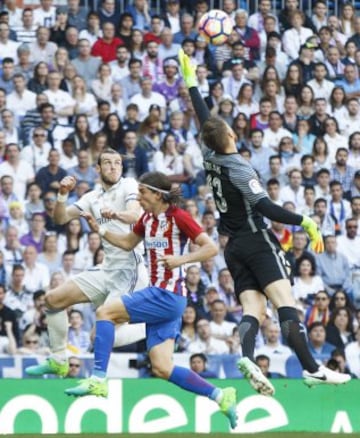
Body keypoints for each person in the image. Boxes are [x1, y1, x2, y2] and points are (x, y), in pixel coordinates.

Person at [178, 48, 350, 395]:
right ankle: (313, 368)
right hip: (258, 240)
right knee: (287, 303)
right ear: (228, 136)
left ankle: (246, 356)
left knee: (253, 310)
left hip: (233, 247)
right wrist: (305, 220)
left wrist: (192, 83)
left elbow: (204, 120)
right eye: (228, 127)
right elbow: (267, 207)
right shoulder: (238, 166)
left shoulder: (210, 155)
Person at [65, 171, 237, 430]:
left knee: (105, 313)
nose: (139, 197)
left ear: (157, 194)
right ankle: (221, 396)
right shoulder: (146, 218)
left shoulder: (179, 217)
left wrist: (181, 260)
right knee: (161, 367)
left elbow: (210, 247)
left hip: (166, 294)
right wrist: (99, 229)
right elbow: (126, 242)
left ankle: (98, 378)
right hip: (167, 302)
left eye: (143, 192)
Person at [25, 149, 149, 378]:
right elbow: (60, 218)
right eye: (108, 163)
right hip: (107, 268)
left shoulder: (129, 185)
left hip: (130, 269)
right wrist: (62, 194)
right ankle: (58, 360)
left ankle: (153, 325)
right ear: (98, 169)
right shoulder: (92, 197)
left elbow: (134, 215)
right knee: (52, 299)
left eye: (117, 163)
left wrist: (114, 214)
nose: (113, 167)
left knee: (97, 335)